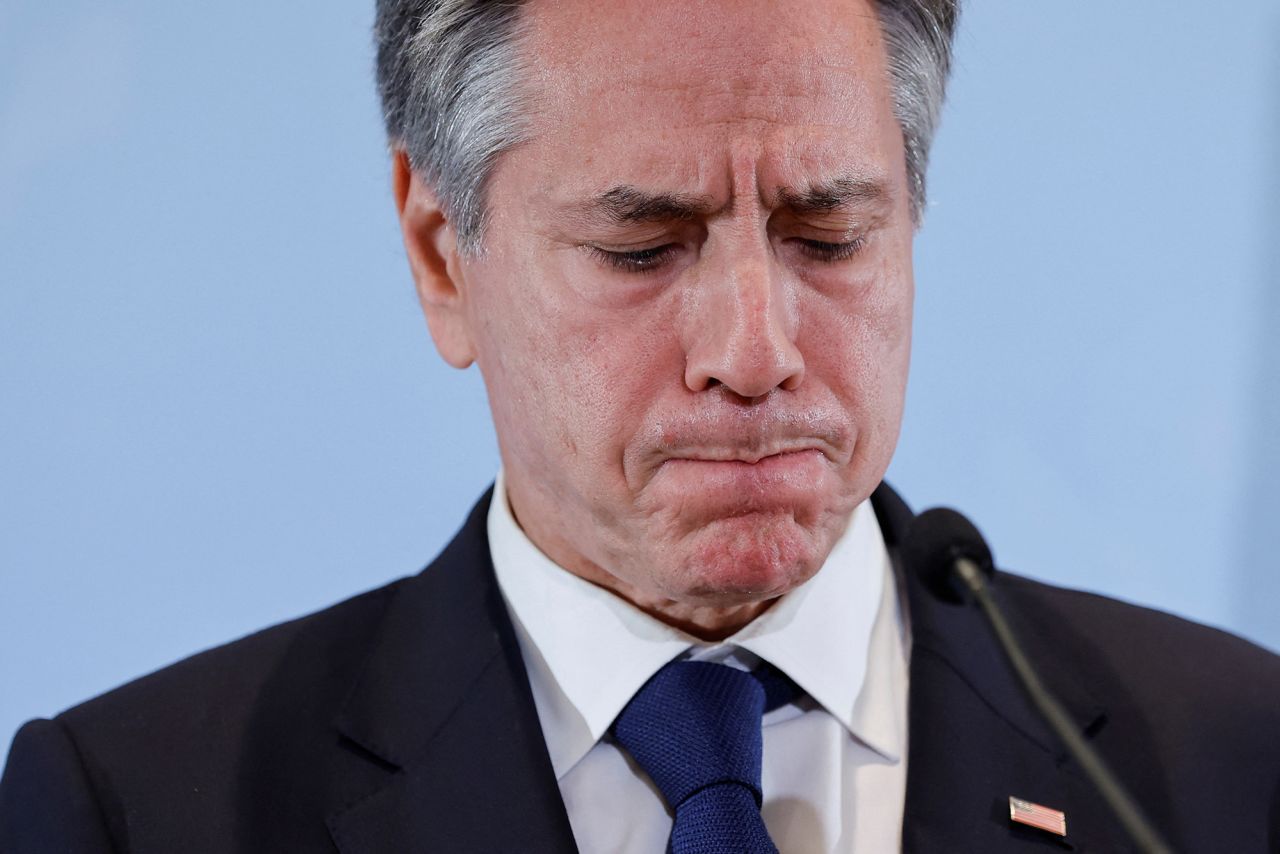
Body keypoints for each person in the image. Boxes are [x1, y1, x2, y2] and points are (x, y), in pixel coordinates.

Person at [2, 0, 1278, 851]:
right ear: (441, 253)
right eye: (641, 245)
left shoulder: (1231, 760)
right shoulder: (133, 806)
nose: (755, 351)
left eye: (827, 234)